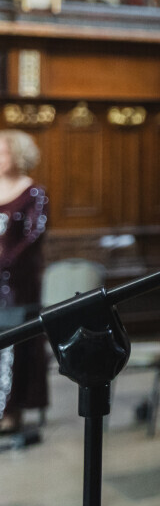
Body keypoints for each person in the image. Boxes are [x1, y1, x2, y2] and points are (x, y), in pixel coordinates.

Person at [0, 130, 50, 435]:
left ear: (18, 155)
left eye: (3, 152)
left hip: (18, 284)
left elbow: (34, 236)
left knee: (14, 346)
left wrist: (4, 261)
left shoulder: (34, 193)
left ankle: (10, 410)